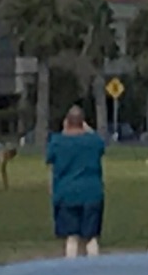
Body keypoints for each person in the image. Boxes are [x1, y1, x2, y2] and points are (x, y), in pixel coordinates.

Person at [46, 101, 107, 256]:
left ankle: (71, 273)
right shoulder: (93, 141)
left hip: (66, 193)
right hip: (92, 193)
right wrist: (87, 129)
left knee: (72, 238)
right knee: (91, 238)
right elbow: (100, 144)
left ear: (66, 122)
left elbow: (50, 163)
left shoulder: (57, 142)